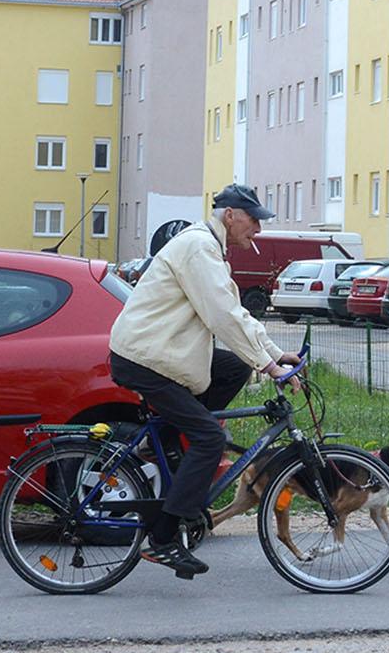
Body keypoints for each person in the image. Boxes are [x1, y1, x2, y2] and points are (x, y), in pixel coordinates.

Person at [108, 183, 299, 576]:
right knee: (210, 437)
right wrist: (270, 367)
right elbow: (222, 317)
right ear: (230, 215)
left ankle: (162, 441)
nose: (258, 231)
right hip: (146, 357)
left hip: (163, 353)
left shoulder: (209, 249)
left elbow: (235, 312)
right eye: (253, 221)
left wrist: (273, 353)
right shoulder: (199, 247)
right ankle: (162, 540)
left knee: (233, 368)